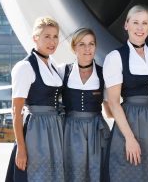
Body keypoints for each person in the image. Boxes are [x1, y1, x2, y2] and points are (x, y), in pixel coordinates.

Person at [103, 5, 148, 181]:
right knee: (132, 172)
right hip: (132, 123)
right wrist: (129, 138)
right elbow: (114, 103)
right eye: (135, 22)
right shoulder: (115, 57)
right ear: (126, 25)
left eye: (144, 23)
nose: (140, 28)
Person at [6, 16, 65, 182]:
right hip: (35, 131)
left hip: (54, 130)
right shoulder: (25, 67)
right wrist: (21, 149)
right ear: (35, 38)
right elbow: (16, 112)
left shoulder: (52, 64)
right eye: (47, 36)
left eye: (55, 36)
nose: (52, 41)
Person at [60, 28, 111, 182]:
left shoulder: (104, 73)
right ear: (74, 47)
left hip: (96, 130)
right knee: (71, 171)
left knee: (96, 172)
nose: (87, 49)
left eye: (91, 44)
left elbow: (109, 110)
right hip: (69, 130)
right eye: (82, 44)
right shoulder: (63, 71)